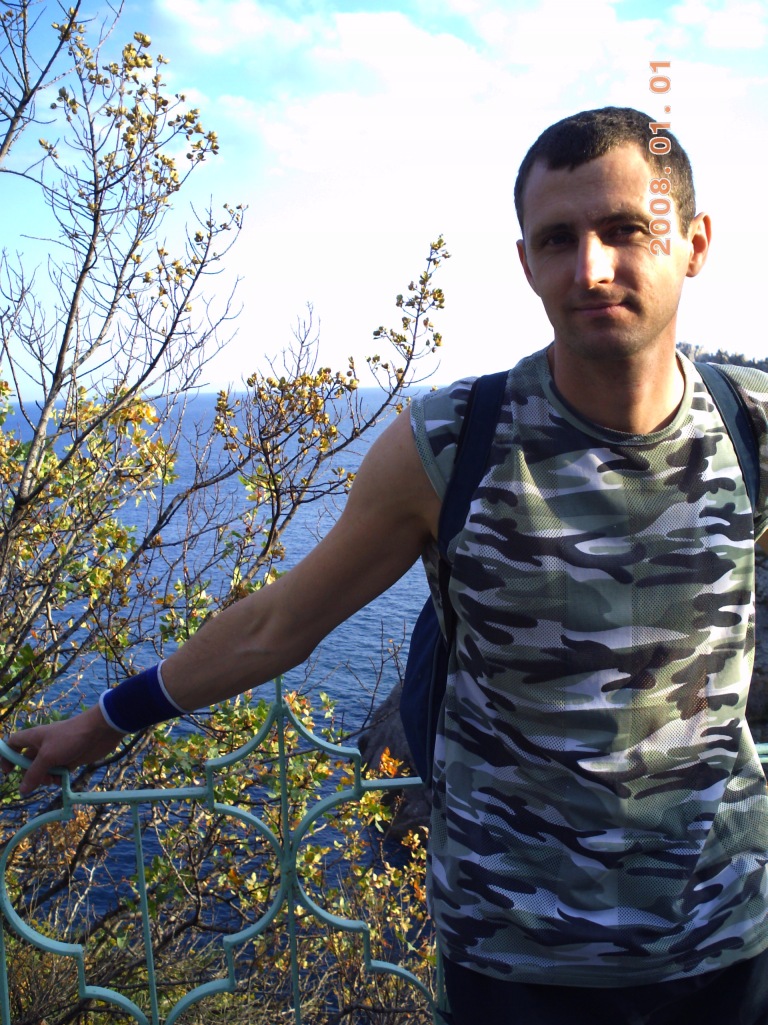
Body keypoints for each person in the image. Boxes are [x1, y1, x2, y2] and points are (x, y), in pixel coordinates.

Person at [5, 106, 768, 1025]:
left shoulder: (750, 424)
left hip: (727, 936)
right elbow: (279, 624)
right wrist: (108, 718)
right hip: (519, 954)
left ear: (694, 242)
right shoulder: (451, 442)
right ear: (525, 262)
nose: (590, 267)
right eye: (558, 239)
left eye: (626, 230)